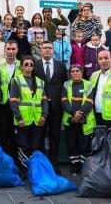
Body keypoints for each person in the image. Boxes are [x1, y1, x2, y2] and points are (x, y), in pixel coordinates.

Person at [10, 56, 48, 177]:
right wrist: (19, 118)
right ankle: (24, 170)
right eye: (26, 64)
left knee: (35, 146)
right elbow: (13, 101)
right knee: (23, 146)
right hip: (23, 120)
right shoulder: (16, 80)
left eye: (31, 64)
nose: (29, 67)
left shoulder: (40, 81)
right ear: (21, 66)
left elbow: (44, 101)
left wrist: (44, 115)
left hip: (37, 119)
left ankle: (34, 171)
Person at [34, 41, 68, 174]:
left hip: (55, 106)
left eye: (49, 48)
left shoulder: (60, 65)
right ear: (40, 50)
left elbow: (64, 84)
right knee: (40, 136)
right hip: (40, 107)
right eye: (45, 48)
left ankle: (53, 164)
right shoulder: (35, 65)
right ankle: (42, 164)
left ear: (53, 50)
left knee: (55, 136)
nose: (47, 50)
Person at [61, 64, 95, 175]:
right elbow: (64, 101)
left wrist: (79, 114)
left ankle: (83, 168)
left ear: (82, 72)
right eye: (73, 71)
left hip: (85, 121)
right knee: (72, 145)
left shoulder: (89, 84)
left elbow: (89, 102)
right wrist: (73, 113)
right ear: (70, 73)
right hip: (70, 120)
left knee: (84, 146)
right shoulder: (66, 84)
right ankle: (73, 167)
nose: (75, 73)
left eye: (77, 71)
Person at [0, 40, 22, 158]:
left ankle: (16, 161)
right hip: (3, 104)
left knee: (16, 135)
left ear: (17, 50)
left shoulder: (22, 65)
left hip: (18, 105)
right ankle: (5, 162)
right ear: (4, 50)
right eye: (8, 49)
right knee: (3, 134)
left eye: (13, 49)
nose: (11, 52)